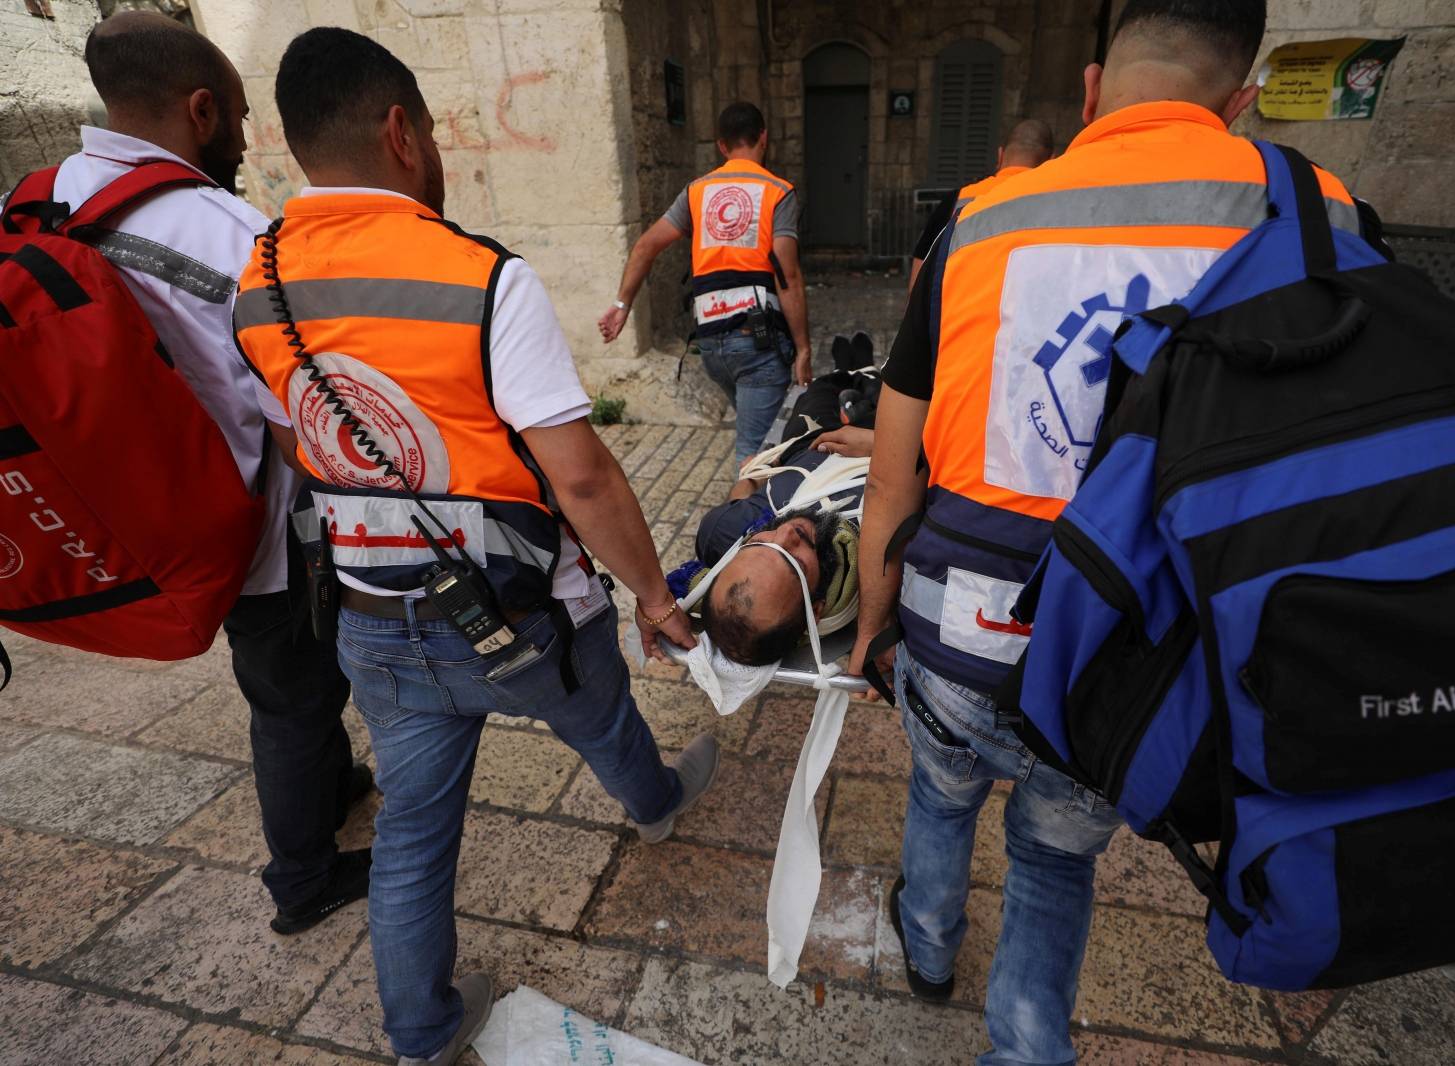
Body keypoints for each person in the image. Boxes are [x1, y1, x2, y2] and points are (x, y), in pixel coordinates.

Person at [850, 2, 1366, 1062]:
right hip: (1133, 670)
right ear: (1241, 100)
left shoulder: (982, 222)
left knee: (940, 795)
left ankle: (928, 943)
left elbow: (891, 479)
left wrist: (869, 627)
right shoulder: (1320, 219)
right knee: (1052, 859)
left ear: (1091, 90)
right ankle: (1025, 1047)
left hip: (961, 635)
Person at [233, 29, 717, 1066]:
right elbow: (581, 474)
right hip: (516, 616)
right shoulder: (480, 278)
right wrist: (653, 597)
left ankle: (421, 1034)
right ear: (402, 131)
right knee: (602, 714)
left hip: (370, 619)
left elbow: (299, 442)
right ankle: (658, 805)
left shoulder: (256, 285)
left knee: (410, 833)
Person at [17, 12, 374, 936]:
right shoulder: (228, 230)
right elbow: (298, 402)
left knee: (287, 679)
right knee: (292, 694)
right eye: (244, 118)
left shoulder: (38, 197)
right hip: (253, 529)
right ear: (202, 108)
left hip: (146, 518)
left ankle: (332, 787)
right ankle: (303, 878)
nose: (249, 138)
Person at [597, 102, 813, 469]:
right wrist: (804, 347)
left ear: (722, 146)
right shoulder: (778, 192)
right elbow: (787, 275)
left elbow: (646, 245)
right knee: (757, 455)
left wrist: (621, 306)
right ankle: (742, 523)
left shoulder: (697, 192)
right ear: (764, 137)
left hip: (711, 341)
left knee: (754, 434)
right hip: (758, 342)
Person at [690, 366, 878, 666]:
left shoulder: (723, 533)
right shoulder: (879, 564)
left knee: (820, 389)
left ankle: (852, 374)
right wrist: (880, 445)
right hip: (883, 445)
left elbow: (742, 500)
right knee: (890, 397)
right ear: (815, 611)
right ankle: (867, 389)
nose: (787, 532)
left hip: (809, 443)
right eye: (795, 563)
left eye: (759, 544)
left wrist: (751, 476)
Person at [907, 118, 1054, 290]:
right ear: (1052, 160)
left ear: (1000, 154)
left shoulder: (957, 200)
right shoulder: (1056, 205)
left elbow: (917, 283)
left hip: (957, 313)